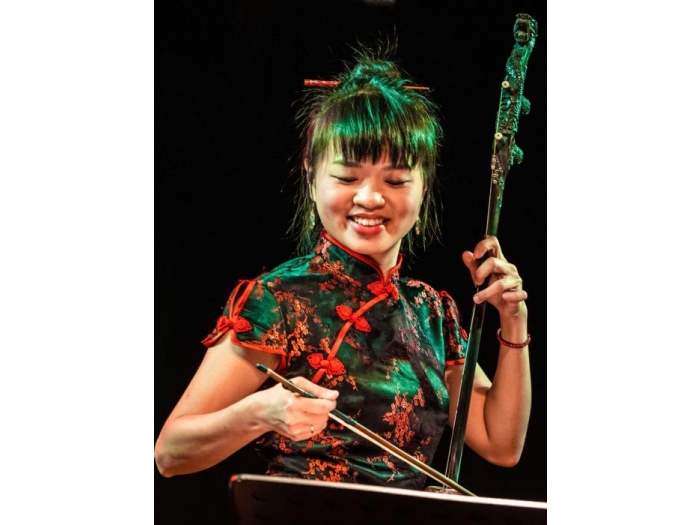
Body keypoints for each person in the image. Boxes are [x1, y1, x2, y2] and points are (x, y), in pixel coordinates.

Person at [154, 45, 531, 491]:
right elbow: (170, 453)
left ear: (424, 186)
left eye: (396, 180)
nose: (370, 198)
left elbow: (500, 444)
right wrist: (259, 413)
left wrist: (513, 322)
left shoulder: (431, 311)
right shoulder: (278, 299)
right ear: (312, 174)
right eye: (347, 178)